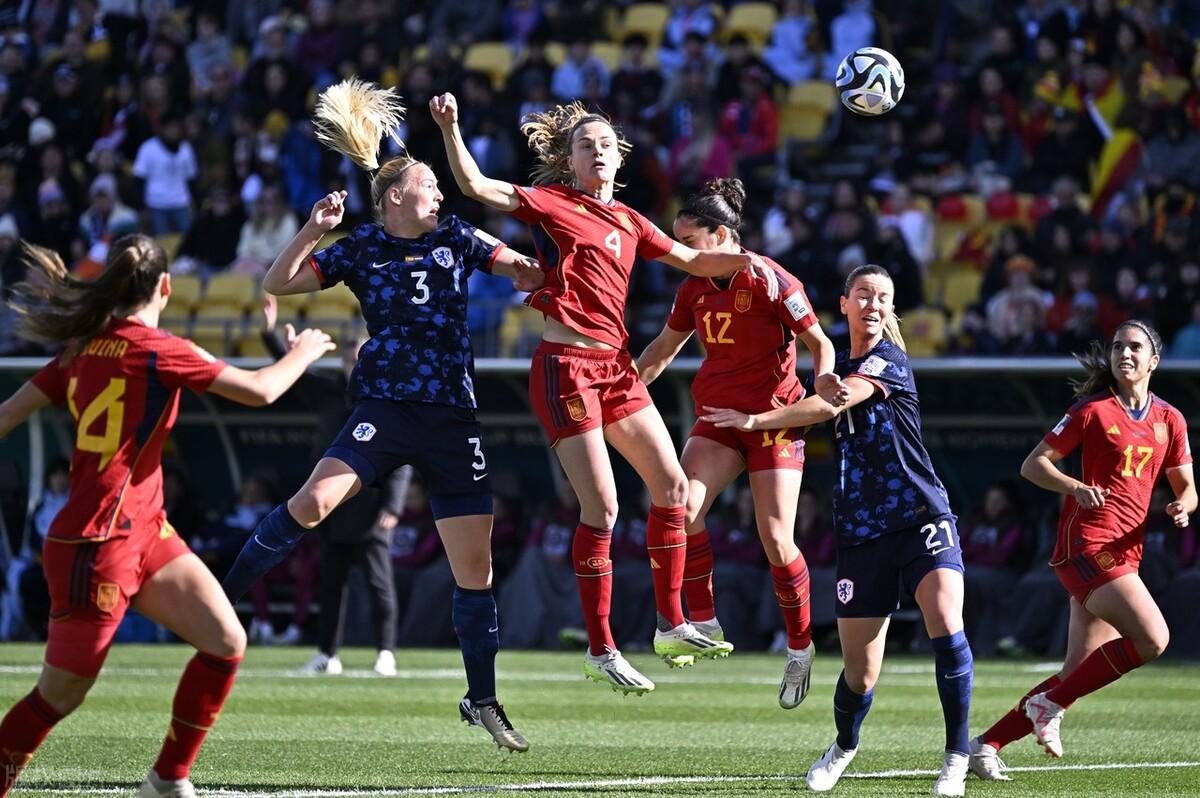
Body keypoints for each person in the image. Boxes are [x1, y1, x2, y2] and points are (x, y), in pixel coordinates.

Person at [218, 79, 543, 752]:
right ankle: (217, 604)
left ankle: (482, 698)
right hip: (386, 409)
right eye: (430, 186)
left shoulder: (457, 235)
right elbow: (278, 283)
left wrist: (533, 268)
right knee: (313, 503)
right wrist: (313, 229)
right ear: (396, 196)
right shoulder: (361, 246)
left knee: (474, 572)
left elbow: (520, 267)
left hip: (452, 417)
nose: (440, 195)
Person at [431, 91, 781, 694]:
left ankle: (671, 624)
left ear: (619, 158)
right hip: (565, 366)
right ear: (569, 161)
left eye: (605, 144)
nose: (596, 151)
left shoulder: (631, 220)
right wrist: (451, 128)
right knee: (605, 509)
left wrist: (753, 261)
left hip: (616, 367)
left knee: (674, 489)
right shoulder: (554, 203)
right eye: (584, 145)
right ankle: (601, 648)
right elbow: (476, 186)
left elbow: (694, 261)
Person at [0, 234, 334, 798]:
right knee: (59, 696)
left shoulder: (81, 350)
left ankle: (167, 779)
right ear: (165, 287)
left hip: (145, 530)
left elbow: (7, 414)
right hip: (96, 544)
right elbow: (260, 390)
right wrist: (302, 352)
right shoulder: (158, 349)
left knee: (225, 639)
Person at [702, 265, 974, 796]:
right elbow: (804, 402)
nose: (873, 305)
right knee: (859, 674)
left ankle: (956, 757)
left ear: (891, 309)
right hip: (861, 529)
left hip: (920, 515)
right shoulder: (831, 365)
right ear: (844, 303)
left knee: (945, 621)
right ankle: (844, 746)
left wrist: (756, 421)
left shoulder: (888, 360)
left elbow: (833, 401)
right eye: (864, 295)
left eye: (883, 297)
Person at [636, 178, 845, 709]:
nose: (681, 252)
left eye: (689, 242)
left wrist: (823, 376)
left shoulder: (773, 279)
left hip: (773, 419)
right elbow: (662, 350)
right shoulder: (693, 288)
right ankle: (704, 619)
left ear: (721, 235)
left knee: (775, 537)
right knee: (682, 508)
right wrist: (619, 392)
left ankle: (800, 646)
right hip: (718, 417)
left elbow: (819, 342)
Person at [969, 320, 1195, 779]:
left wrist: (1182, 506)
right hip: (1087, 545)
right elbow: (1033, 465)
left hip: (1126, 553)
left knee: (1076, 672)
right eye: (1118, 347)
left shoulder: (1169, 419)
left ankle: (985, 744)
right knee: (1154, 638)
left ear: (1154, 360)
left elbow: (1187, 487)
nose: (1124, 354)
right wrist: (1075, 486)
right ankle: (1048, 705)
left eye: (1135, 347)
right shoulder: (1092, 411)